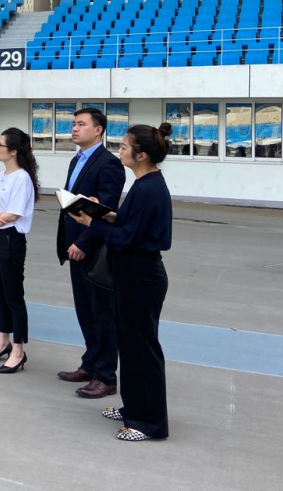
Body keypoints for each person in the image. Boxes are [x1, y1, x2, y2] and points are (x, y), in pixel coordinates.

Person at [73, 123, 174, 442]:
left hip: (142, 276)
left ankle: (149, 423)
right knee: (130, 345)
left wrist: (91, 223)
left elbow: (128, 237)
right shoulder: (144, 184)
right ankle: (133, 407)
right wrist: (103, 213)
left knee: (143, 349)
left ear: (141, 155)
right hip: (132, 275)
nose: (120, 151)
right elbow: (131, 223)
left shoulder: (149, 188)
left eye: (125, 146)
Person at [56, 108, 125, 399]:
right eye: (73, 124)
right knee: (85, 311)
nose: (74, 128)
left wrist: (84, 243)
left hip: (93, 250)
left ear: (98, 130)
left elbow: (105, 210)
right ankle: (91, 364)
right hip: (74, 246)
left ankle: (106, 376)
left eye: (81, 124)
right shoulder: (76, 160)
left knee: (102, 314)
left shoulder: (109, 164)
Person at [0, 128, 38, 374]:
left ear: (13, 151)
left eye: (0, 145)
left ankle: (18, 349)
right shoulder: (2, 176)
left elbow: (13, 214)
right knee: (1, 294)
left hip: (11, 239)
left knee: (14, 295)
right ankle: (3, 341)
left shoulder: (21, 178)